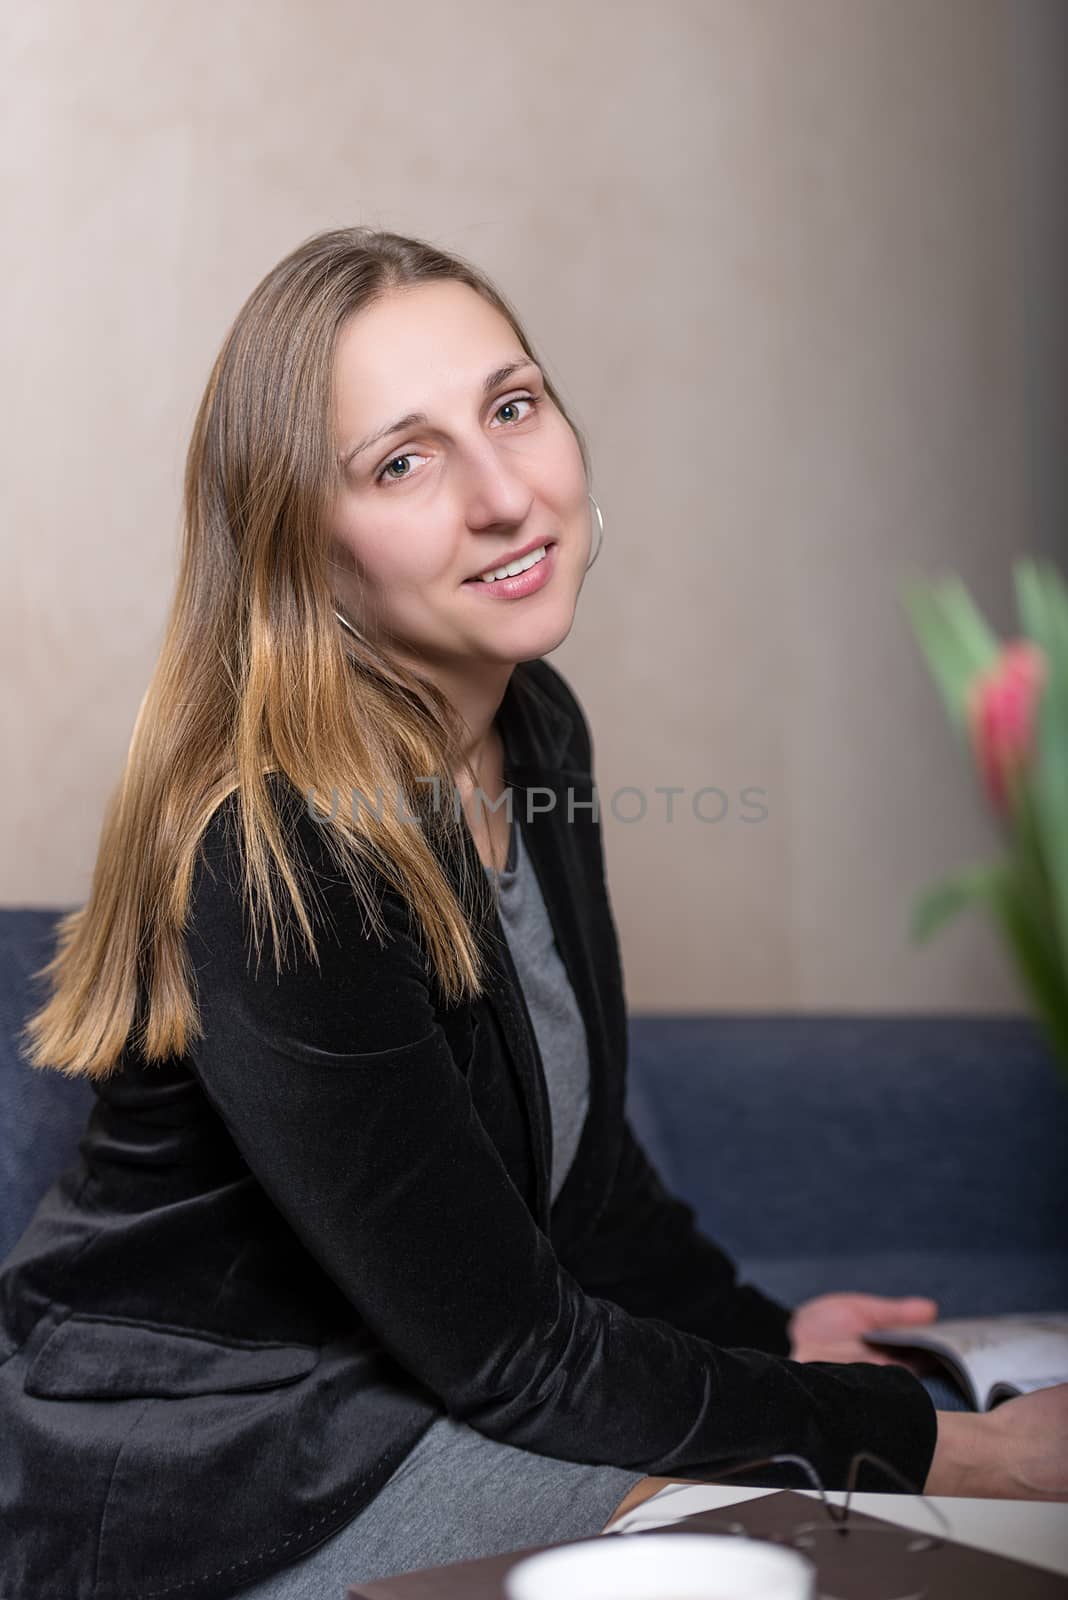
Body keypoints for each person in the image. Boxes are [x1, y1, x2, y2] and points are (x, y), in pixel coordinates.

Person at [1, 227, 1065, 1600]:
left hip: (418, 1395)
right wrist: (952, 1449)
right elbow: (516, 1354)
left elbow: (585, 1184)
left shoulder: (529, 723)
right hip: (222, 1466)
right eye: (403, 461)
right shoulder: (274, 849)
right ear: (301, 551)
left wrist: (775, 1341)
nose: (506, 494)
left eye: (512, 407)